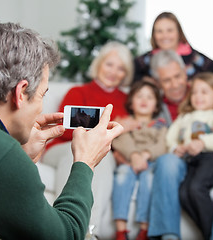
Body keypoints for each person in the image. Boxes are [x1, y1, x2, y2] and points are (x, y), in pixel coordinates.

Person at [0, 22, 123, 239]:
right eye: (42, 95)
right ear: (21, 93)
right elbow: (64, 235)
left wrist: (18, 156)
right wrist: (85, 163)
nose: (41, 107)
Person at [148, 50, 213, 240]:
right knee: (168, 163)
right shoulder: (155, 106)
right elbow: (164, 139)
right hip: (183, 159)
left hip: (212, 157)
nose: (175, 84)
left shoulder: (203, 91)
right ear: (158, 83)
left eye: (177, 76)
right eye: (167, 80)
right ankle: (168, 235)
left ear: (185, 71)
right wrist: (174, 148)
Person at [43, 41, 138, 236]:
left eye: (120, 68)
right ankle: (65, 226)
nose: (113, 71)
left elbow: (135, 132)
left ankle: (87, 233)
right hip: (64, 147)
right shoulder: (78, 92)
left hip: (104, 152)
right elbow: (66, 130)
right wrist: (112, 123)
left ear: (125, 74)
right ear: (99, 64)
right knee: (81, 153)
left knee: (100, 156)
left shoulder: (128, 100)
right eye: (109, 64)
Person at [167, 72, 213, 239]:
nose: (198, 96)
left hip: (211, 158)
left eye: (204, 92)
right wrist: (175, 148)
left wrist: (203, 142)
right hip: (190, 161)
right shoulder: (184, 117)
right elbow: (171, 137)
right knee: (184, 193)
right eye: (194, 92)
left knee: (196, 188)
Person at [111, 81, 168, 240]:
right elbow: (120, 140)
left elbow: (163, 145)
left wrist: (145, 155)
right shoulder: (124, 122)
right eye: (139, 96)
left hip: (151, 162)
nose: (144, 100)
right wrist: (135, 155)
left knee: (149, 178)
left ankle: (144, 229)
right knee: (122, 173)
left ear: (156, 106)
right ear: (131, 102)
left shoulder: (160, 125)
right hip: (129, 162)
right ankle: (121, 231)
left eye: (149, 97)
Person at [133, 11, 213, 88]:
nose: (165, 36)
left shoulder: (195, 58)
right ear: (154, 35)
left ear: (179, 33)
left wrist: (198, 85)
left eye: (169, 30)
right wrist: (146, 81)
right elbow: (125, 75)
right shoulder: (148, 59)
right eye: (159, 31)